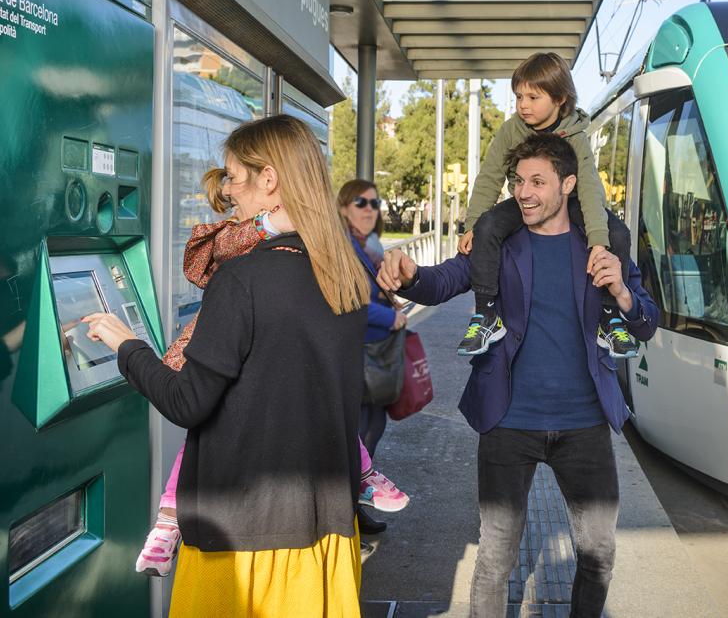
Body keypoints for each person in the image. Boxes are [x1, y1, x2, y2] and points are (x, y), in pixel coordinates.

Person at [84, 115, 372, 617]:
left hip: (242, 541)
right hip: (327, 532)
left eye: (234, 177)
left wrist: (128, 346)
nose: (228, 192)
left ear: (269, 180)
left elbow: (187, 402)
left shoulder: (242, 280)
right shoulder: (344, 274)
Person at [378, 133, 660, 618]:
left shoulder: (600, 243)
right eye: (517, 181)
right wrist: (411, 276)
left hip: (585, 424)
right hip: (508, 420)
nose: (523, 193)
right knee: (496, 557)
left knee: (598, 554)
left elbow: (648, 323)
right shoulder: (499, 241)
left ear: (568, 185)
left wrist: (623, 294)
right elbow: (445, 280)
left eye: (537, 182)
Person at [457, 52, 637, 359]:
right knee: (487, 227)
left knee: (617, 234)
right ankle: (485, 313)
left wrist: (598, 241)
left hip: (570, 201)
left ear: (559, 98)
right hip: (524, 201)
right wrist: (472, 224)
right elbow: (489, 178)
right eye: (518, 97)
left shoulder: (575, 134)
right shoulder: (510, 130)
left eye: (533, 97)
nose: (523, 105)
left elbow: (590, 187)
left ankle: (609, 318)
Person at [338, 179, 411, 534]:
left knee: (372, 427)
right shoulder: (345, 247)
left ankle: (357, 505)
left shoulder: (368, 244)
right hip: (358, 350)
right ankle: (350, 511)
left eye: (374, 203)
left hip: (375, 352)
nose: (369, 209)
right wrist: (390, 316)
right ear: (343, 208)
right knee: (360, 433)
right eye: (360, 202)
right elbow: (350, 302)